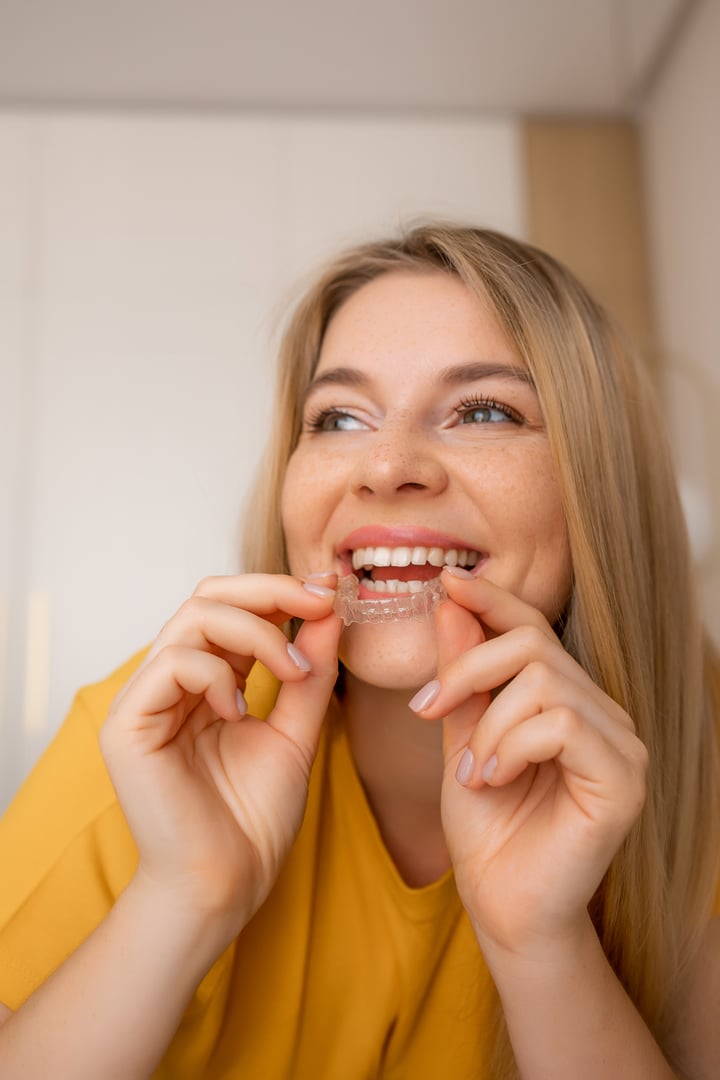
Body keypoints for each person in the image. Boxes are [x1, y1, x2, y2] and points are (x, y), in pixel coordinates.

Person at [0, 223, 718, 1079]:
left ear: (598, 488)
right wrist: (184, 895)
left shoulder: (696, 755)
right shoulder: (158, 736)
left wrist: (540, 944)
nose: (383, 466)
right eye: (338, 417)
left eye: (484, 410)